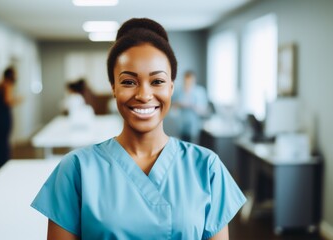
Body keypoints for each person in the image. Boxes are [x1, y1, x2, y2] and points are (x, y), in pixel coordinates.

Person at [31, 18, 246, 240]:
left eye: (157, 81)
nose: (144, 95)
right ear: (113, 87)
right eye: (128, 82)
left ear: (171, 87)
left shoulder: (207, 168)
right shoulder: (76, 170)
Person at [0, 66, 22, 171]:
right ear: (11, 75)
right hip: (3, 119)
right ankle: (3, 168)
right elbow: (8, 101)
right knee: (3, 144)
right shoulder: (7, 85)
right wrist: (18, 99)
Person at [172, 70, 209, 143]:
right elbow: (173, 106)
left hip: (195, 126)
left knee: (194, 145)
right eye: (186, 81)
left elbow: (204, 110)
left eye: (190, 81)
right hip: (181, 125)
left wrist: (192, 105)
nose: (188, 84)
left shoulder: (200, 92)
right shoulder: (178, 91)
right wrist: (179, 104)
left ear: (194, 80)